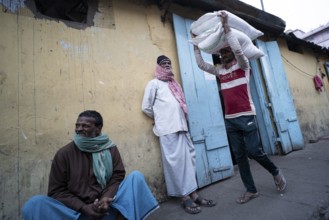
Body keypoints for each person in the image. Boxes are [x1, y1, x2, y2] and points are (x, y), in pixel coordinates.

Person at [191, 11, 287, 204]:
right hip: (230, 119)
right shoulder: (219, 71)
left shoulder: (243, 66)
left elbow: (239, 50)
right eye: (222, 52)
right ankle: (251, 190)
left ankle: (275, 171)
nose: (224, 54)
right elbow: (201, 64)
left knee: (254, 151)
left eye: (227, 51)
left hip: (247, 115)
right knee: (241, 156)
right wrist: (196, 44)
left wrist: (226, 29)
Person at [22, 110, 159, 220]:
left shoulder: (110, 148)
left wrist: (105, 199)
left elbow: (117, 177)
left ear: (98, 129)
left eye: (85, 126)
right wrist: (83, 207)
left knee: (136, 177)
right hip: (76, 213)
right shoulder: (64, 154)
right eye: (77, 125)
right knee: (34, 204)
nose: (79, 129)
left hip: (107, 208)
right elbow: (57, 191)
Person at [141, 55, 216, 214]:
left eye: (169, 63)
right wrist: (160, 119)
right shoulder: (153, 84)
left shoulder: (174, 83)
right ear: (158, 66)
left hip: (182, 127)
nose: (167, 65)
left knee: (189, 161)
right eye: (163, 63)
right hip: (167, 129)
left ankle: (194, 194)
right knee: (175, 165)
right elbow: (146, 107)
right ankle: (184, 197)